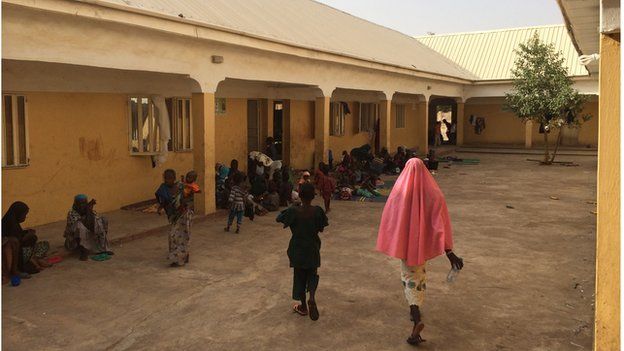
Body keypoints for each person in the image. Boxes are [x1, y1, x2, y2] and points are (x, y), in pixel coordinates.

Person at [376, 158, 464, 345]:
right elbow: (440, 223)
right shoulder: (434, 193)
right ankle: (414, 312)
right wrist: (449, 252)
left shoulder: (399, 192)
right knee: (418, 277)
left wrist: (393, 240)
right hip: (422, 246)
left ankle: (416, 319)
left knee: (410, 279)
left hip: (406, 246)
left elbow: (390, 219)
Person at [276, 183, 328, 321]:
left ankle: (303, 306)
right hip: (312, 247)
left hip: (297, 248)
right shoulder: (317, 211)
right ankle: (312, 297)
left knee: (299, 277)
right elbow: (322, 227)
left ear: (299, 195)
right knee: (312, 274)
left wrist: (293, 207)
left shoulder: (293, 211)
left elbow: (279, 218)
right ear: (313, 196)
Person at [155, 169, 192, 267]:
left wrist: (184, 201)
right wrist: (159, 208)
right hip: (174, 217)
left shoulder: (180, 186)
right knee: (173, 236)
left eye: (170, 178)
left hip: (184, 215)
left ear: (174, 178)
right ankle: (177, 258)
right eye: (166, 178)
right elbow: (163, 201)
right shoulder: (163, 189)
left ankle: (182, 256)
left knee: (183, 236)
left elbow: (187, 197)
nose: (168, 180)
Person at [3, 202, 50, 273]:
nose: (25, 217)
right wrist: (28, 235)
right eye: (24, 215)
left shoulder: (13, 222)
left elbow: (19, 234)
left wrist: (26, 232)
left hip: (24, 249)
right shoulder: (10, 225)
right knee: (32, 238)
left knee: (44, 244)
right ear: (18, 214)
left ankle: (34, 258)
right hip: (17, 255)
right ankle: (33, 259)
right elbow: (16, 242)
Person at [64, 195, 113, 261]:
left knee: (102, 221)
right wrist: (88, 210)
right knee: (80, 226)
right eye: (80, 203)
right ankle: (83, 251)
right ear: (75, 204)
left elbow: (93, 224)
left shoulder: (91, 211)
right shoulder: (71, 213)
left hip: (89, 237)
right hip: (74, 240)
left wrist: (89, 211)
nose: (82, 205)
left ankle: (103, 248)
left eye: (84, 203)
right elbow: (83, 223)